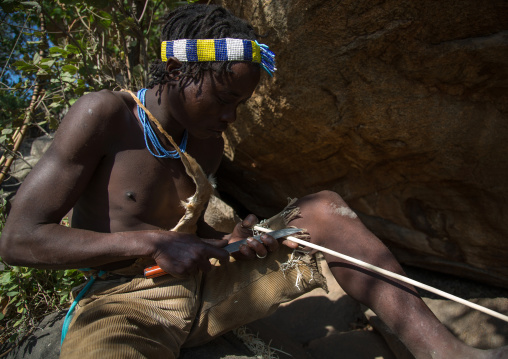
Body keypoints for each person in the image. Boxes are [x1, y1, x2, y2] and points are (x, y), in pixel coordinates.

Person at [0, 4, 505, 359]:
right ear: (177, 70)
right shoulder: (104, 114)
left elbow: (189, 238)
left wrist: (230, 242)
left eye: (238, 105)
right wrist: (153, 242)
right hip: (124, 301)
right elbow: (19, 239)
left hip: (205, 291)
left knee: (323, 210)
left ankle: (445, 352)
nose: (229, 117)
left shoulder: (205, 143)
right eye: (222, 99)